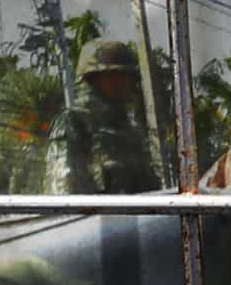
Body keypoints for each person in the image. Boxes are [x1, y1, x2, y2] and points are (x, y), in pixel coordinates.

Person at [61, 37, 165, 194]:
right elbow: (63, 194)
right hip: (94, 218)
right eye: (114, 76)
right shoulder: (73, 123)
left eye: (126, 76)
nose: (125, 83)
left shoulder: (130, 131)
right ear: (93, 79)